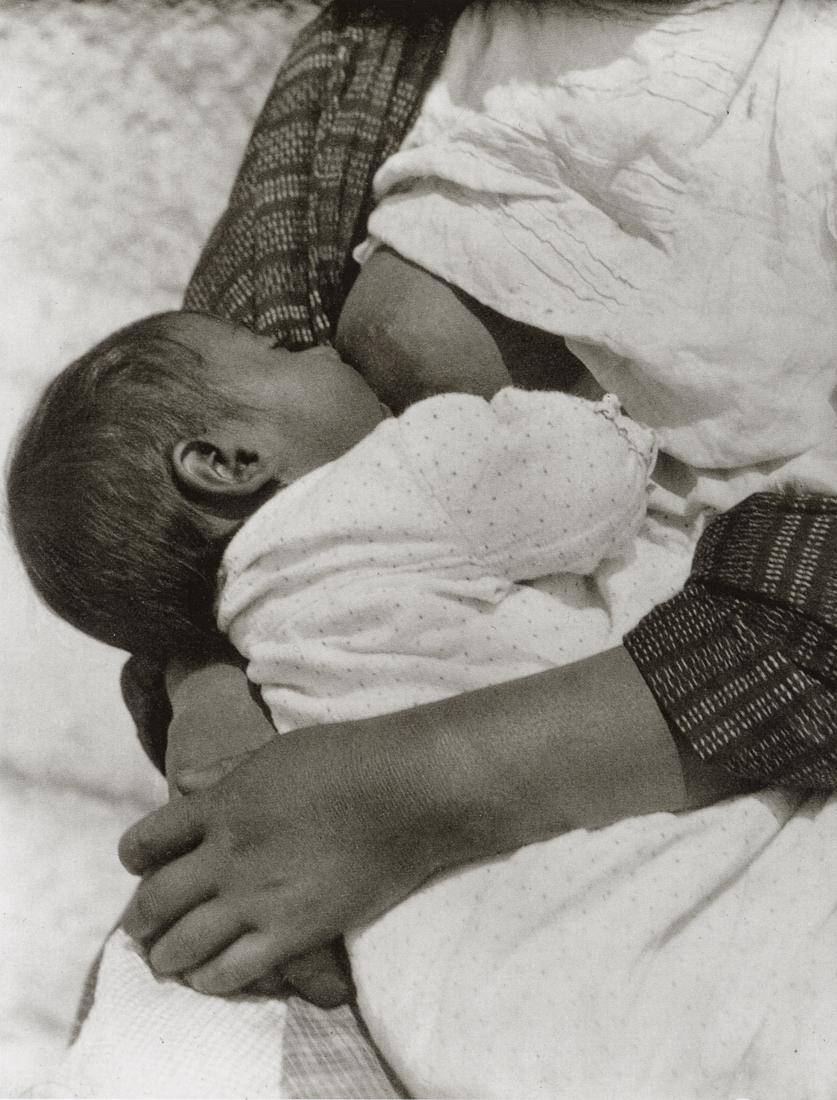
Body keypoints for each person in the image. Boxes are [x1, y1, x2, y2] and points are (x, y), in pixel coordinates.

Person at [67, 0, 837, 1095]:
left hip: (700, 756)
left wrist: (413, 788)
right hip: (387, 861)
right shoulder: (378, 51)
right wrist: (209, 686)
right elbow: (195, 449)